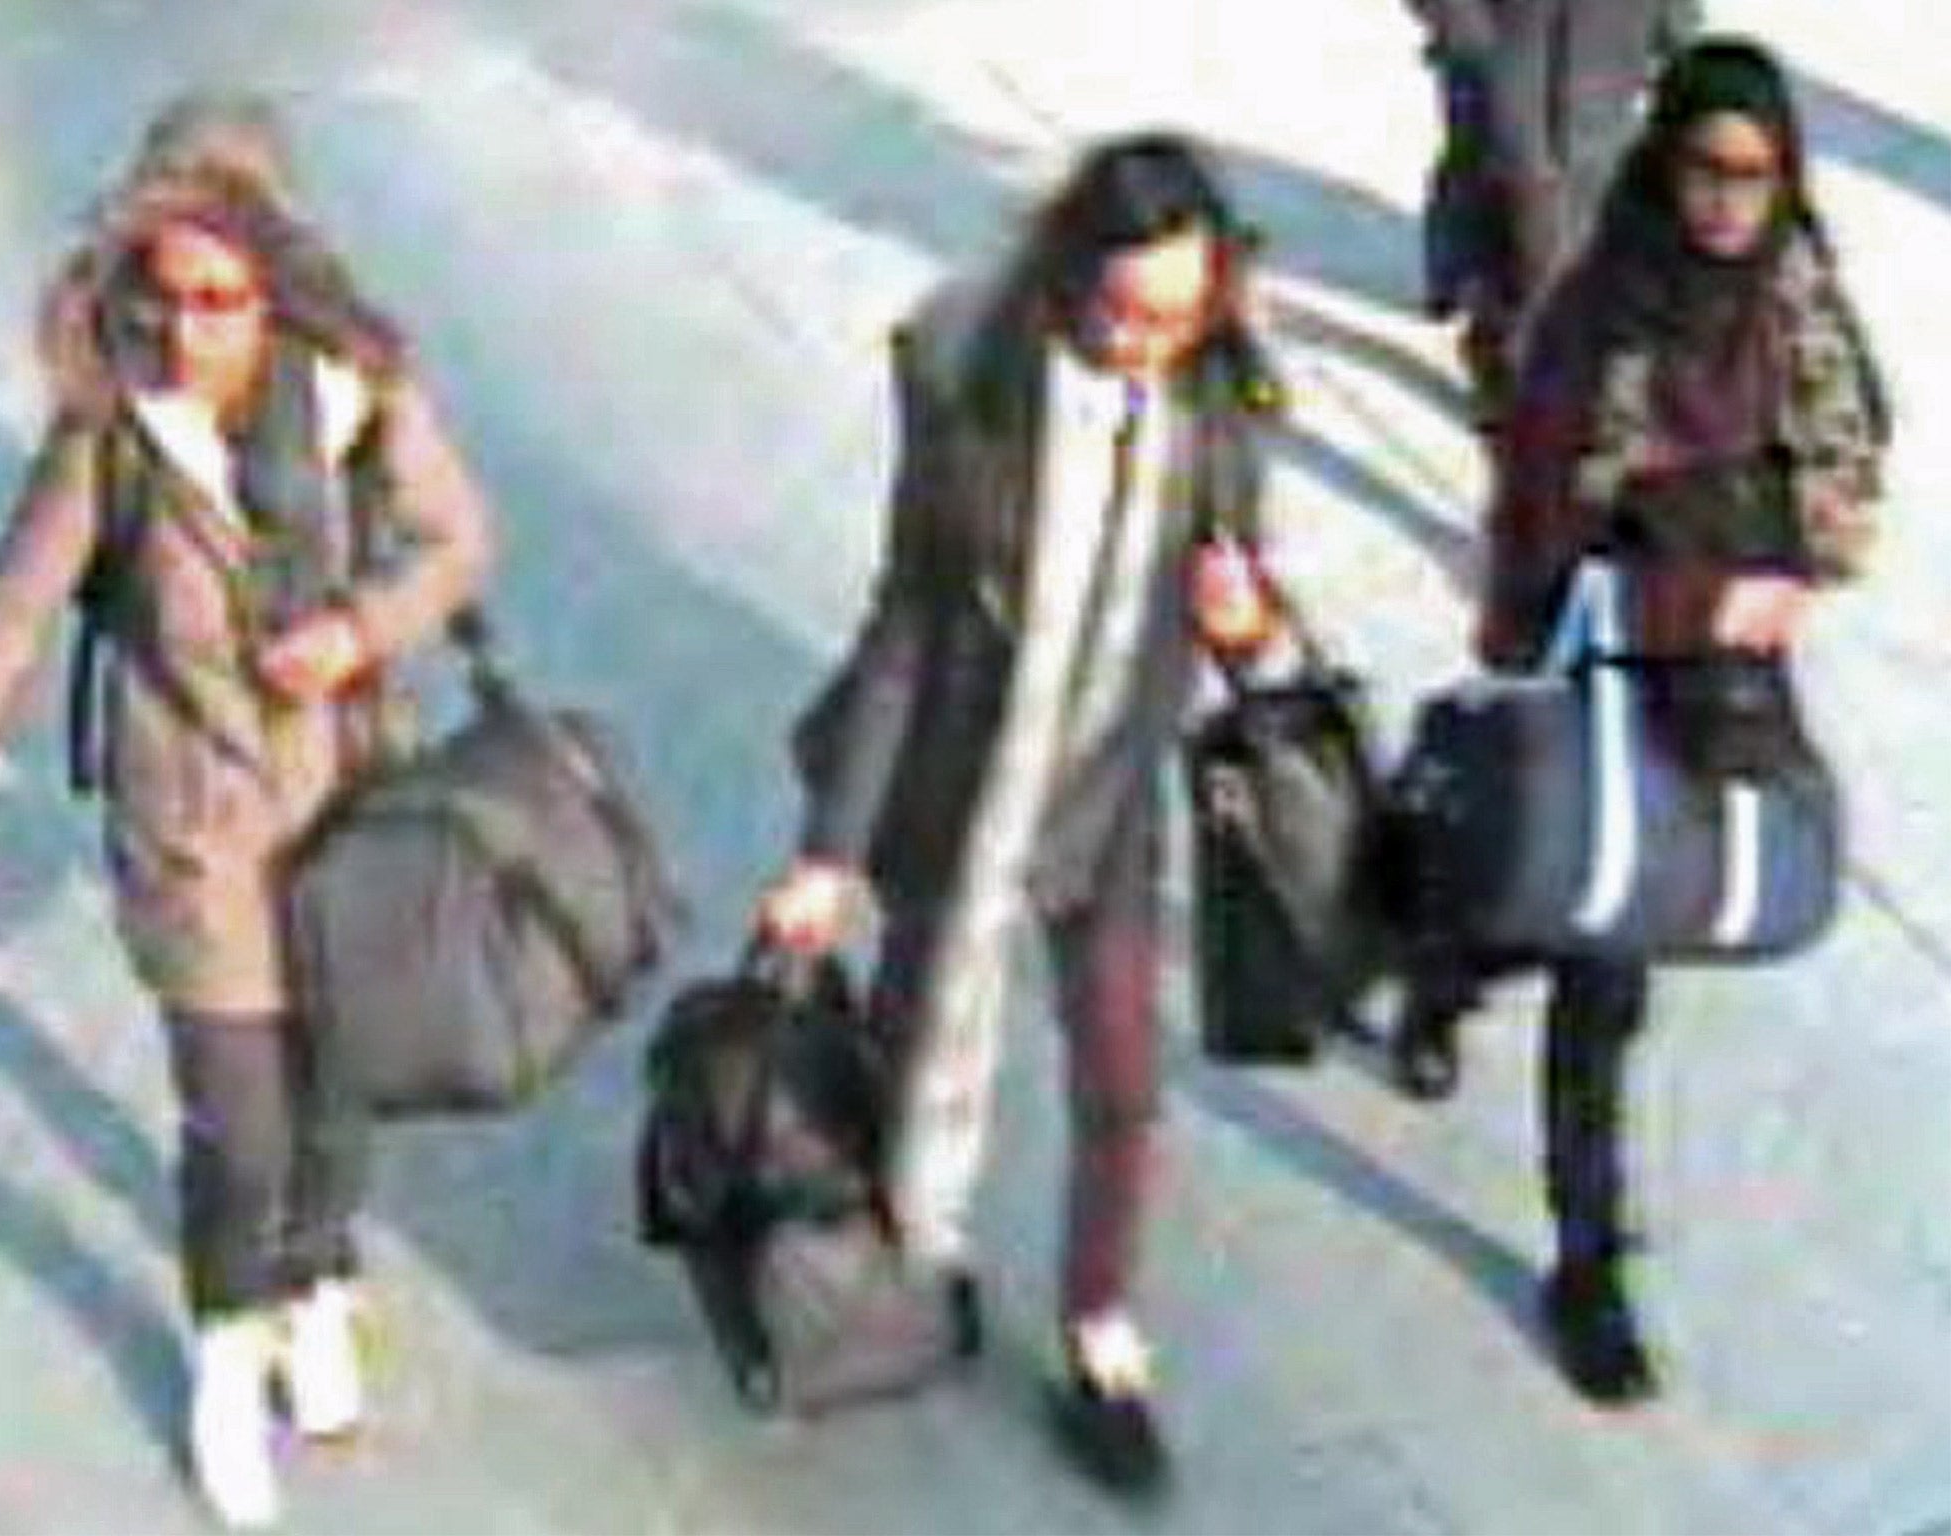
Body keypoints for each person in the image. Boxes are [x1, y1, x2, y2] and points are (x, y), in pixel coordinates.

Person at [0, 95, 493, 1526]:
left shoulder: (358, 397)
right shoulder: (111, 433)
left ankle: (313, 1277)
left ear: (277, 285)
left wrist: (358, 629)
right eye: (161, 299)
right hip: (193, 832)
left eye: (222, 302)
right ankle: (230, 1359)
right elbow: (3, 629)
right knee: (244, 1126)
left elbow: (458, 541)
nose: (187, 335)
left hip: (350, 810)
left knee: (339, 1098)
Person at [760, 133, 1285, 1497]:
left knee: (1122, 1088)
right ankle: (909, 1272)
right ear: (1067, 279)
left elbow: (1247, 608)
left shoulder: (1218, 400)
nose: (1144, 343)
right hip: (963, 797)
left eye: (1176, 314)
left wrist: (1246, 624)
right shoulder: (977, 400)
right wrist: (830, 854)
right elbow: (906, 631)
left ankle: (1099, 1330)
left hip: (1106, 812)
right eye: (1121, 313)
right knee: (908, 1041)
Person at [1397, 38, 1888, 1402]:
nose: (1729, 201)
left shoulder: (1800, 304)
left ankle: (1447, 966)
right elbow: (1541, 506)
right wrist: (1612, 600)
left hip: (1727, 674)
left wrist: (1795, 571)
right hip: (1601, 653)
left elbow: (1850, 478)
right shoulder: (1596, 309)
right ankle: (1587, 1259)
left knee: (1618, 922)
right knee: (1597, 949)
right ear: (1664, 163)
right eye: (1706, 169)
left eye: (1758, 175)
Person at [1406, 0, 1702, 424]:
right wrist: (1461, 28)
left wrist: (1675, 23)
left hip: (1609, 46)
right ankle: (1511, 355)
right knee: (1517, 185)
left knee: (1587, 194)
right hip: (1505, 40)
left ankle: (1550, 343)